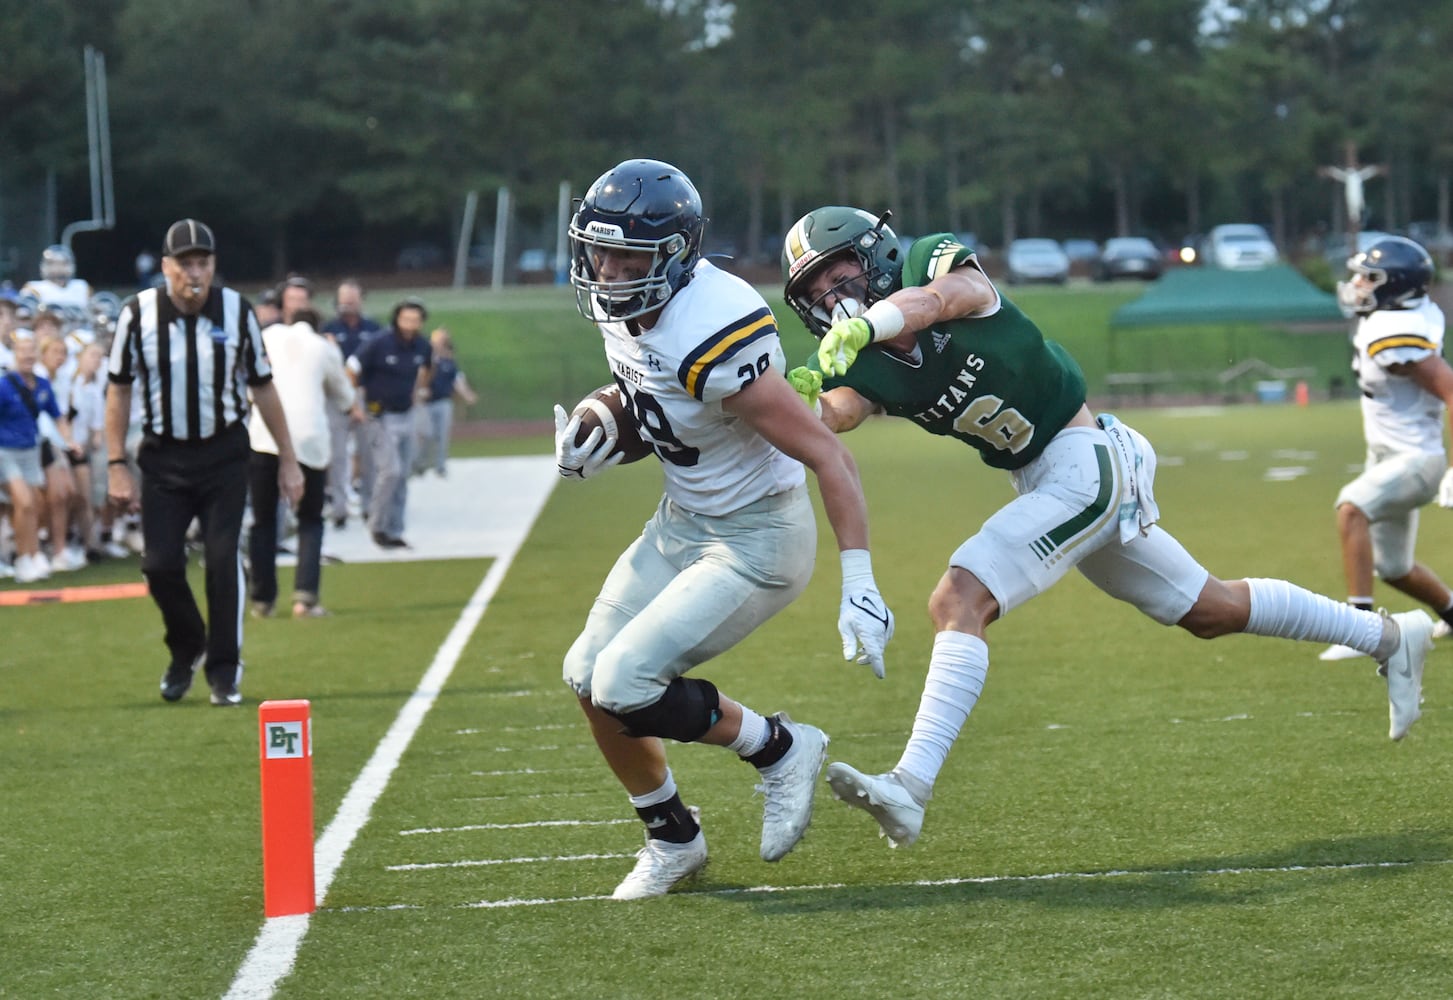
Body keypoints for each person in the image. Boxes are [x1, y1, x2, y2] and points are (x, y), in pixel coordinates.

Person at [778, 207, 1436, 849]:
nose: (832, 300)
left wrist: (873, 322)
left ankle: (909, 786)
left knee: (958, 599)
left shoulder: (929, 263)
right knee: (1207, 608)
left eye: (840, 279)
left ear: (877, 256)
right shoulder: (857, 355)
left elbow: (950, 296)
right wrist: (798, 399)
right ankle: (1386, 637)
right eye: (816, 293)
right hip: (1043, 476)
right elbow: (842, 407)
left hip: (1083, 459)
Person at [558, 160, 894, 899]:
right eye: (599, 251)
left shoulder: (714, 326)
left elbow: (825, 450)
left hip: (756, 539)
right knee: (585, 676)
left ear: (675, 255)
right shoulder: (630, 306)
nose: (607, 271)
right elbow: (658, 401)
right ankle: (672, 839)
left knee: (624, 681)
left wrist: (860, 579)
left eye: (628, 257)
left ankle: (778, 748)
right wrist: (600, 431)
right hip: (682, 521)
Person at [106, 218, 304, 707]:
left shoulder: (236, 311)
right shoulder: (137, 315)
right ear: (167, 267)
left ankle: (223, 669)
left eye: (203, 263)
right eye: (185, 263)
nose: (195, 274)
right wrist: (114, 461)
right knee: (159, 565)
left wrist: (288, 458)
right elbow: (119, 389)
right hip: (164, 457)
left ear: (213, 265)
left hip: (223, 455)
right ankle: (187, 643)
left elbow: (262, 387)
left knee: (220, 561)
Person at [1316, 236, 1453, 660]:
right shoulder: (1393, 316)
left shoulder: (1396, 332)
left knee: (1351, 508)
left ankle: (1361, 629)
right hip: (1391, 454)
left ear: (1396, 285)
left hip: (1417, 460)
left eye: (1369, 277)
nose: (1357, 284)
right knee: (1394, 568)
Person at [246, 308, 355, 619]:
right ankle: (305, 599)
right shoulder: (324, 347)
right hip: (309, 441)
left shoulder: (266, 336)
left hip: (264, 437)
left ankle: (262, 600)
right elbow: (344, 395)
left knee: (264, 520)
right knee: (310, 519)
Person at [347, 297, 431, 548]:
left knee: (403, 474)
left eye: (415, 320)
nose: (410, 324)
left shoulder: (421, 346)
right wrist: (354, 402)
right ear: (396, 319)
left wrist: (419, 390)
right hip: (378, 415)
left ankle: (395, 529)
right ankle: (377, 525)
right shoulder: (379, 343)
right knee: (390, 470)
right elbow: (350, 368)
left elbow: (427, 368)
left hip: (405, 413)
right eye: (406, 319)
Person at [0, 337, 80, 582]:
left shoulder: (43, 385)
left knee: (33, 504)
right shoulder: (4, 385)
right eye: (23, 351)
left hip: (31, 450)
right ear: (15, 355)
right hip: (6, 451)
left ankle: (33, 555)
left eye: (31, 350)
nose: (27, 355)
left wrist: (69, 440)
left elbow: (57, 416)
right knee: (23, 502)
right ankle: (23, 558)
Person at [321, 279, 381, 528]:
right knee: (337, 454)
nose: (348, 305)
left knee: (367, 453)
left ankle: (368, 504)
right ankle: (339, 507)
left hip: (363, 393)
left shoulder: (373, 329)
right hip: (336, 396)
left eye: (352, 301)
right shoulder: (328, 329)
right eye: (344, 301)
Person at [413, 326, 477, 477]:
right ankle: (421, 462)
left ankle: (440, 465)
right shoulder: (425, 359)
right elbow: (417, 378)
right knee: (426, 434)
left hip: (443, 401)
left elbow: (458, 380)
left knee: (442, 435)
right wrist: (419, 392)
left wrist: (467, 394)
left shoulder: (449, 361)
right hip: (426, 403)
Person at [21, 245, 93, 315]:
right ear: (44, 266)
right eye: (52, 263)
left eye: (64, 263)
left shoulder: (82, 287)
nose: (58, 268)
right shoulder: (34, 288)